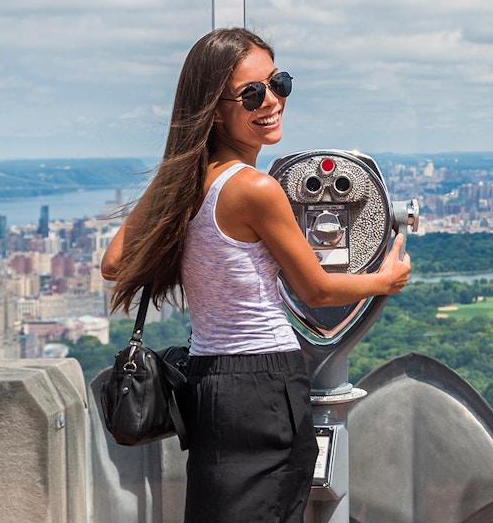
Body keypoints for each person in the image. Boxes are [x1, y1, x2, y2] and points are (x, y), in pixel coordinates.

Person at [101, 27, 411, 523]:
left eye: (279, 83)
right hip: (263, 384)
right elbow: (318, 288)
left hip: (205, 379)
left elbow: (114, 262)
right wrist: (385, 280)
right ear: (214, 109)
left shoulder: (183, 182)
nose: (272, 100)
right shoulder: (256, 189)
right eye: (252, 93)